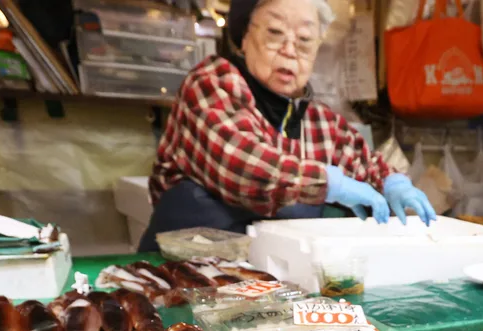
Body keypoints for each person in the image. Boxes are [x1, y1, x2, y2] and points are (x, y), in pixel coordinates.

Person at [139, 0, 434, 253]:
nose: (289, 49)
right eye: (275, 33)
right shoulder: (211, 85)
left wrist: (392, 183)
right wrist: (329, 184)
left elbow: (363, 162)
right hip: (182, 269)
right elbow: (242, 165)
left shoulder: (319, 120)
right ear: (243, 37)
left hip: (268, 281)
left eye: (305, 39)